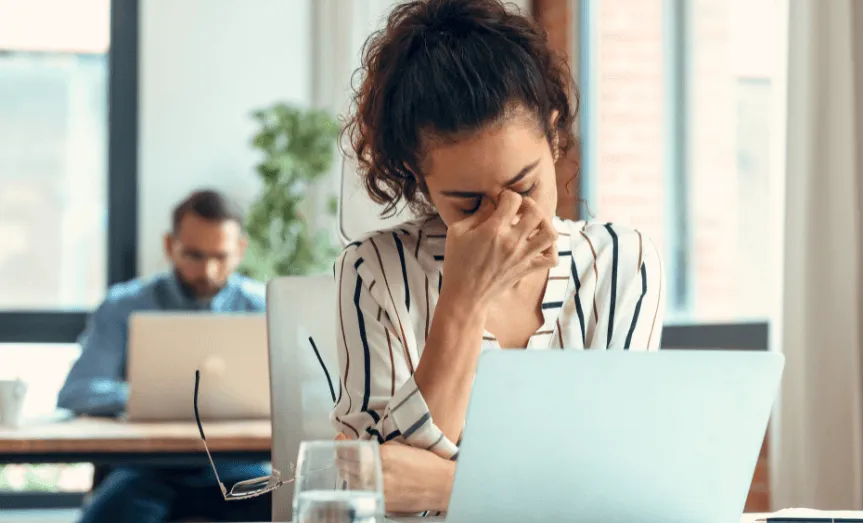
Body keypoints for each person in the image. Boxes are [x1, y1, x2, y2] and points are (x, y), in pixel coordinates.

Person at [331, 0, 666, 516]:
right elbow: (378, 492)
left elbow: (612, 486)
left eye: (524, 185)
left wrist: (452, 487)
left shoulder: (621, 263)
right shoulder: (374, 272)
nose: (506, 219)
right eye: (468, 203)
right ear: (419, 180)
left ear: (554, 135)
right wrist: (463, 302)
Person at [58, 189, 270, 523]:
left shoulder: (263, 309)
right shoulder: (123, 306)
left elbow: (303, 389)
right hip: (146, 467)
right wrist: (149, 397)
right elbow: (77, 390)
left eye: (221, 256)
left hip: (236, 465)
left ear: (240, 249)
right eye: (195, 255)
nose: (209, 270)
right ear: (170, 246)